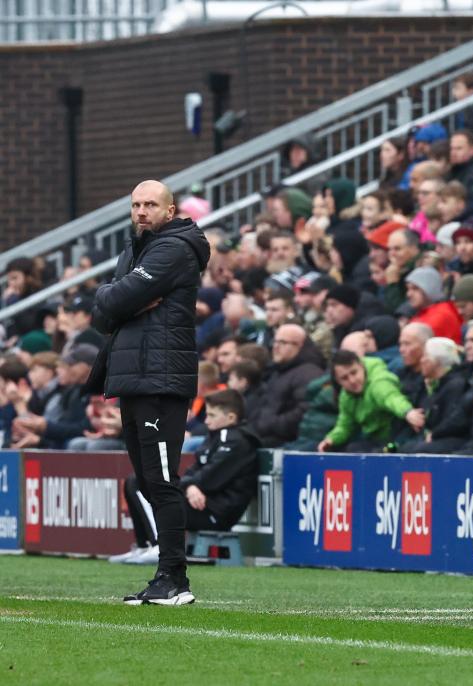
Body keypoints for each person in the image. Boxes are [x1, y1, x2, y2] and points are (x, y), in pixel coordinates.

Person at [92, 179, 210, 606]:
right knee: (147, 479)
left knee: (161, 479)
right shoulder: (135, 250)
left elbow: (119, 298)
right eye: (136, 204)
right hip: (134, 376)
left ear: (170, 210)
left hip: (160, 377)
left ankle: (175, 579)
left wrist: (116, 298)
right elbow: (103, 313)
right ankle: (165, 577)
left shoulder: (173, 248)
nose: (141, 212)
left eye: (150, 205)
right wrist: (114, 298)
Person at [111, 389, 260, 566]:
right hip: (200, 502)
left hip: (215, 511)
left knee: (144, 486)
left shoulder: (236, 441)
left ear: (230, 418)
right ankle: (144, 545)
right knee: (135, 482)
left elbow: (213, 475)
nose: (206, 420)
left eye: (212, 415)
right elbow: (193, 471)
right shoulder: (216, 437)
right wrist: (190, 486)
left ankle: (160, 545)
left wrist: (191, 485)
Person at [318, 350, 424, 452]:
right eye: (344, 378)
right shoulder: (345, 397)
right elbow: (345, 425)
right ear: (338, 382)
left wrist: (408, 412)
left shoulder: (378, 382)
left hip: (396, 438)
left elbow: (392, 398)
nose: (352, 380)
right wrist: (330, 439)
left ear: (361, 366)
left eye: (354, 372)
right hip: (373, 439)